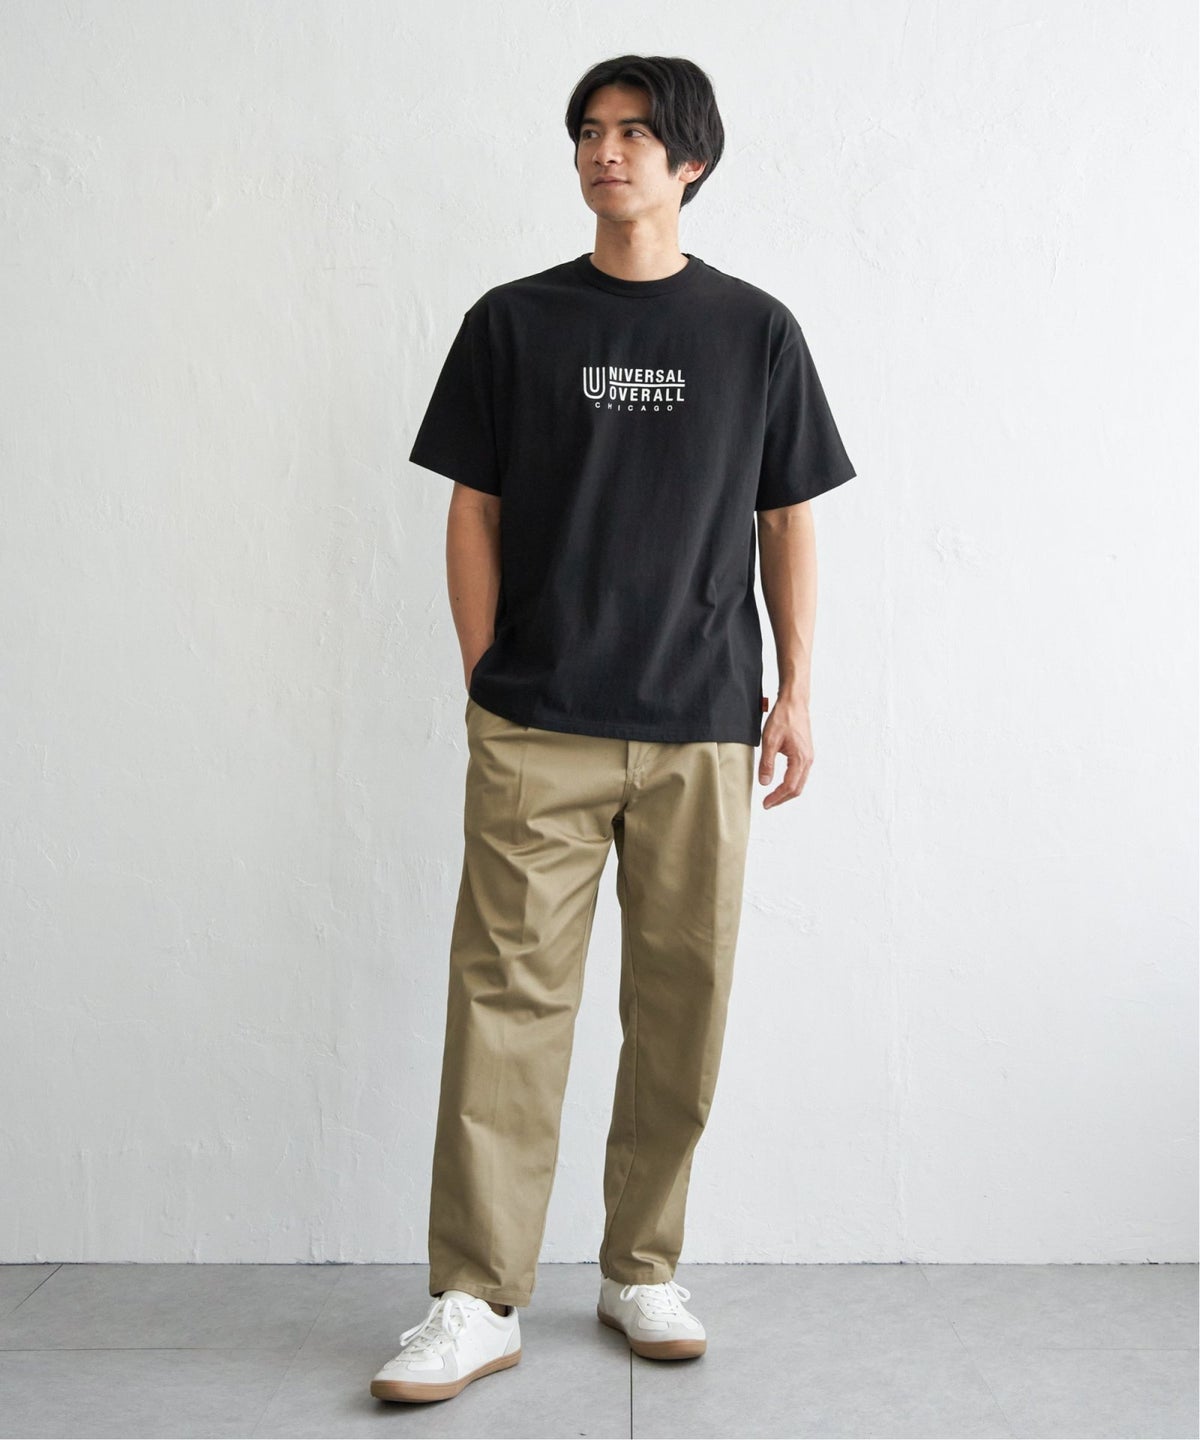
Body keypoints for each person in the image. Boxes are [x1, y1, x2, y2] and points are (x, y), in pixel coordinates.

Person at [370, 53, 856, 1405]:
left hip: (702, 722)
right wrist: (487, 678)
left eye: (637, 132)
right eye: (590, 130)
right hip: (541, 724)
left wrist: (796, 692)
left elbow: (786, 517)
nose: (607, 150)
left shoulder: (755, 332)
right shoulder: (513, 323)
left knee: (681, 1004)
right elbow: (472, 508)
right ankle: (476, 1297)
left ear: (691, 159)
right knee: (504, 1006)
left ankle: (642, 1266)